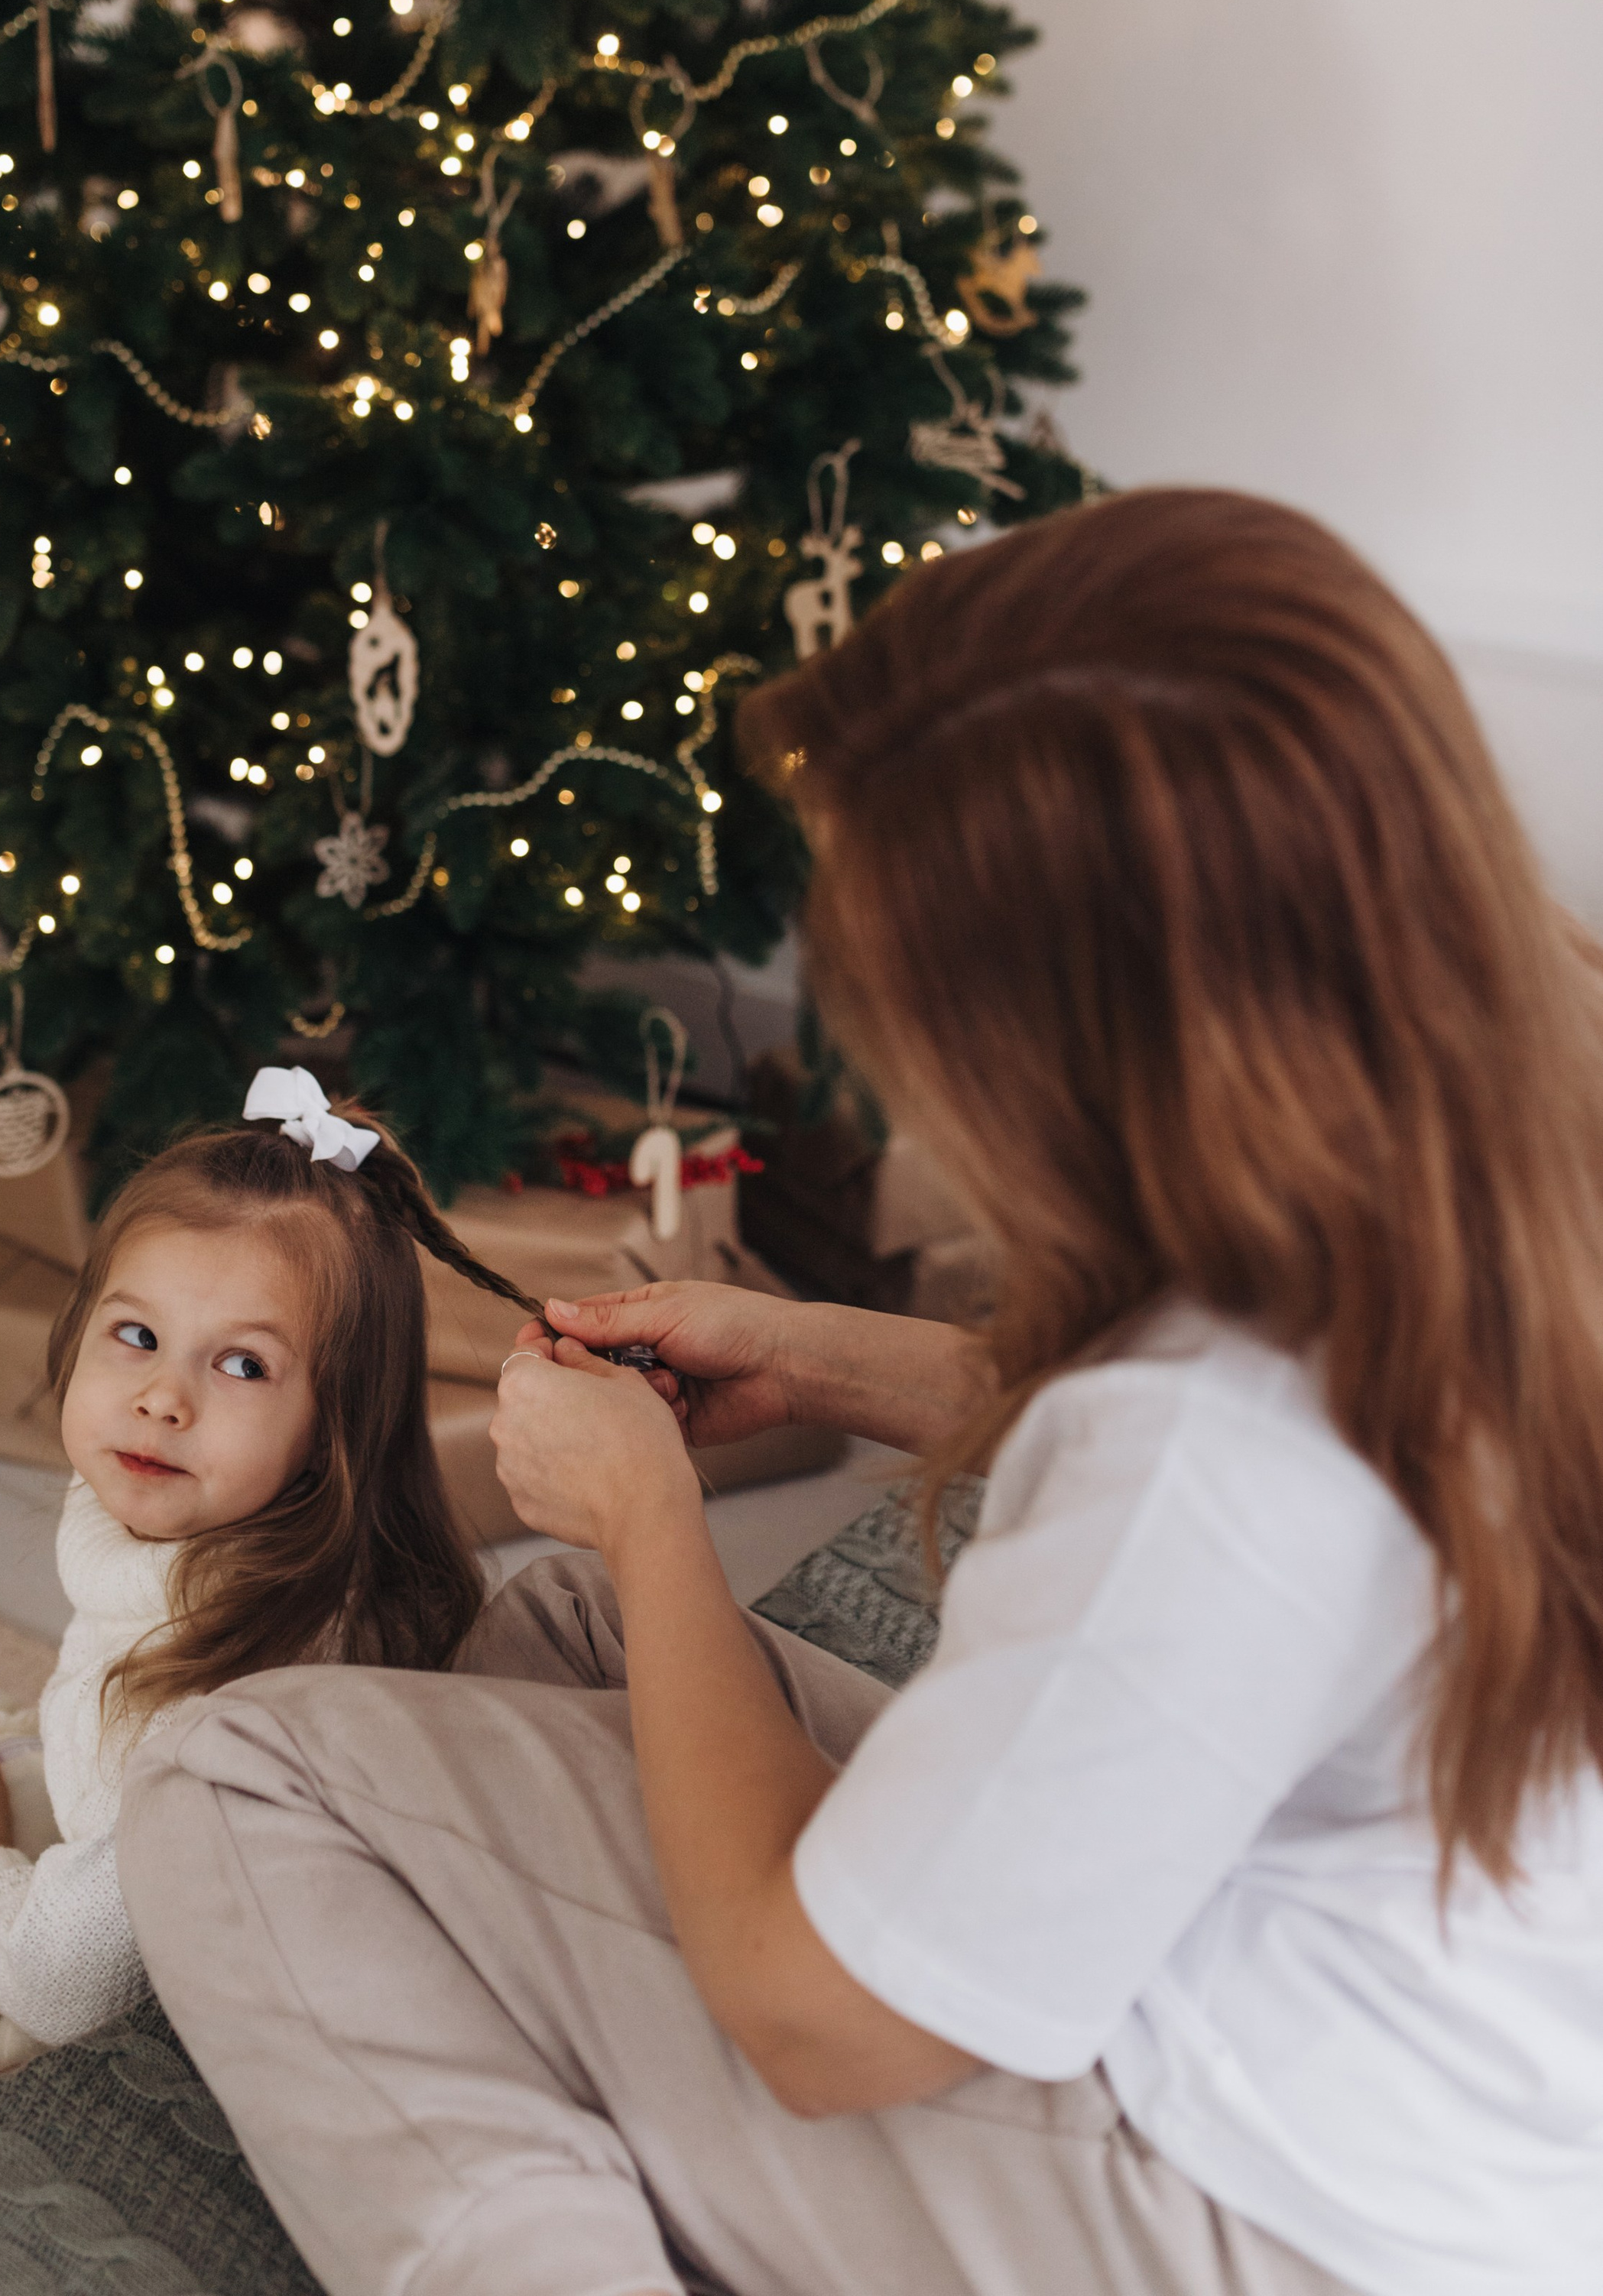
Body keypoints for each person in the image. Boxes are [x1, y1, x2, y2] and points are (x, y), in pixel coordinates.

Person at [119, 489, 1603, 2296]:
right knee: (576, 1624)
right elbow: (1332, 1494)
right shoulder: (1516, 1136)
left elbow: (815, 2030)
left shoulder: (1202, 1457)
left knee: (229, 1775)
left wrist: (654, 1512)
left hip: (1241, 2217)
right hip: (1453, 2114)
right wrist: (830, 1356)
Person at [0, 1069, 531, 2237]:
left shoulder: (230, 1712)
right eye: (137, 1337)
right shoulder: (255, 1541)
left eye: (242, 1364)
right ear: (80, 1335)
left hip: (236, 2073)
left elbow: (72, 1987)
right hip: (178, 1912)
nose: (163, 1396)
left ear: (338, 1423)